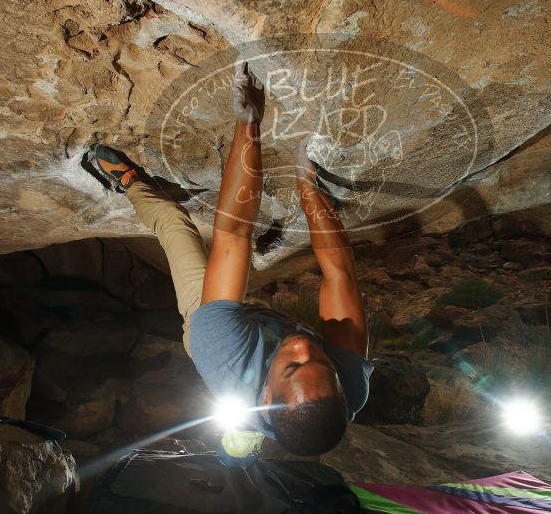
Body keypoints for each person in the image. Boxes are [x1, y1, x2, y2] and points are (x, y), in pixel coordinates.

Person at [88, 62, 372, 458]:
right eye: (323, 363)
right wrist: (306, 184)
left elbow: (234, 233)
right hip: (259, 330)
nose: (305, 349)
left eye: (292, 367)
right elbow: (340, 273)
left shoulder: (222, 353)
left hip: (219, 328)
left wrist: (248, 122)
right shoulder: (351, 388)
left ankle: (129, 182)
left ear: (267, 395)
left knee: (175, 223)